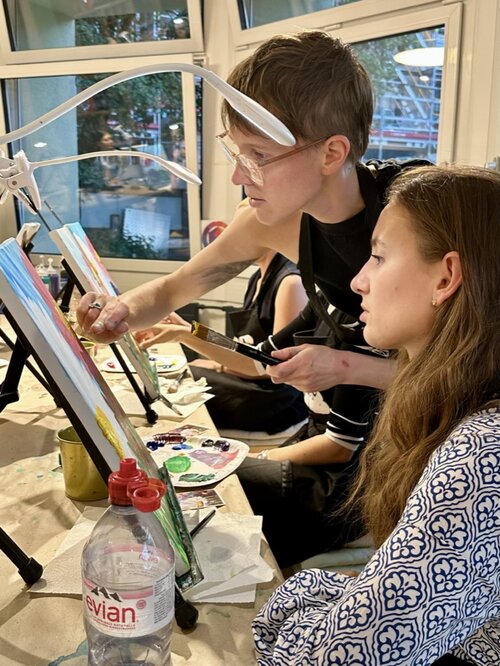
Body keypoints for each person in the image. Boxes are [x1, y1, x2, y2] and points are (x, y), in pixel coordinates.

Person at [76, 31, 426, 562]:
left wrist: (344, 367)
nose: (240, 175)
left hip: (397, 468)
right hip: (341, 433)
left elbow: (465, 376)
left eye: (258, 155)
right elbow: (175, 287)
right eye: (236, 153)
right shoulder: (273, 221)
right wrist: (120, 312)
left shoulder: (414, 218)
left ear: (332, 152)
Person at [252, 164, 500, 666]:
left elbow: (335, 659)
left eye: (379, 257)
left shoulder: (481, 456)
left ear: (446, 277)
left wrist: (293, 599)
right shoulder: (461, 403)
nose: (358, 280)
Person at [135, 222, 309, 434]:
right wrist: (189, 328)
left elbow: (273, 368)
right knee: (175, 380)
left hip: (274, 399)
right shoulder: (258, 277)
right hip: (250, 382)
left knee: (173, 392)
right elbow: (239, 347)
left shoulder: (291, 283)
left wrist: (191, 341)